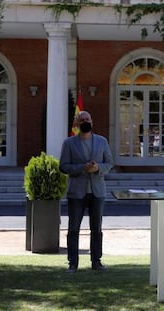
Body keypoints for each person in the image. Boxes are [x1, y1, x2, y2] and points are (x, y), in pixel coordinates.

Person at [60, 110, 114, 273]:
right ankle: (72, 263)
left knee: (96, 228)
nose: (85, 121)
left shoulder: (102, 141)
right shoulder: (69, 143)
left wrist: (98, 168)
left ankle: (96, 261)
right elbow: (63, 166)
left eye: (87, 119)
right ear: (76, 123)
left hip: (97, 191)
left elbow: (110, 163)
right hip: (77, 192)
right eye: (81, 119)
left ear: (92, 122)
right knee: (74, 228)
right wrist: (82, 168)